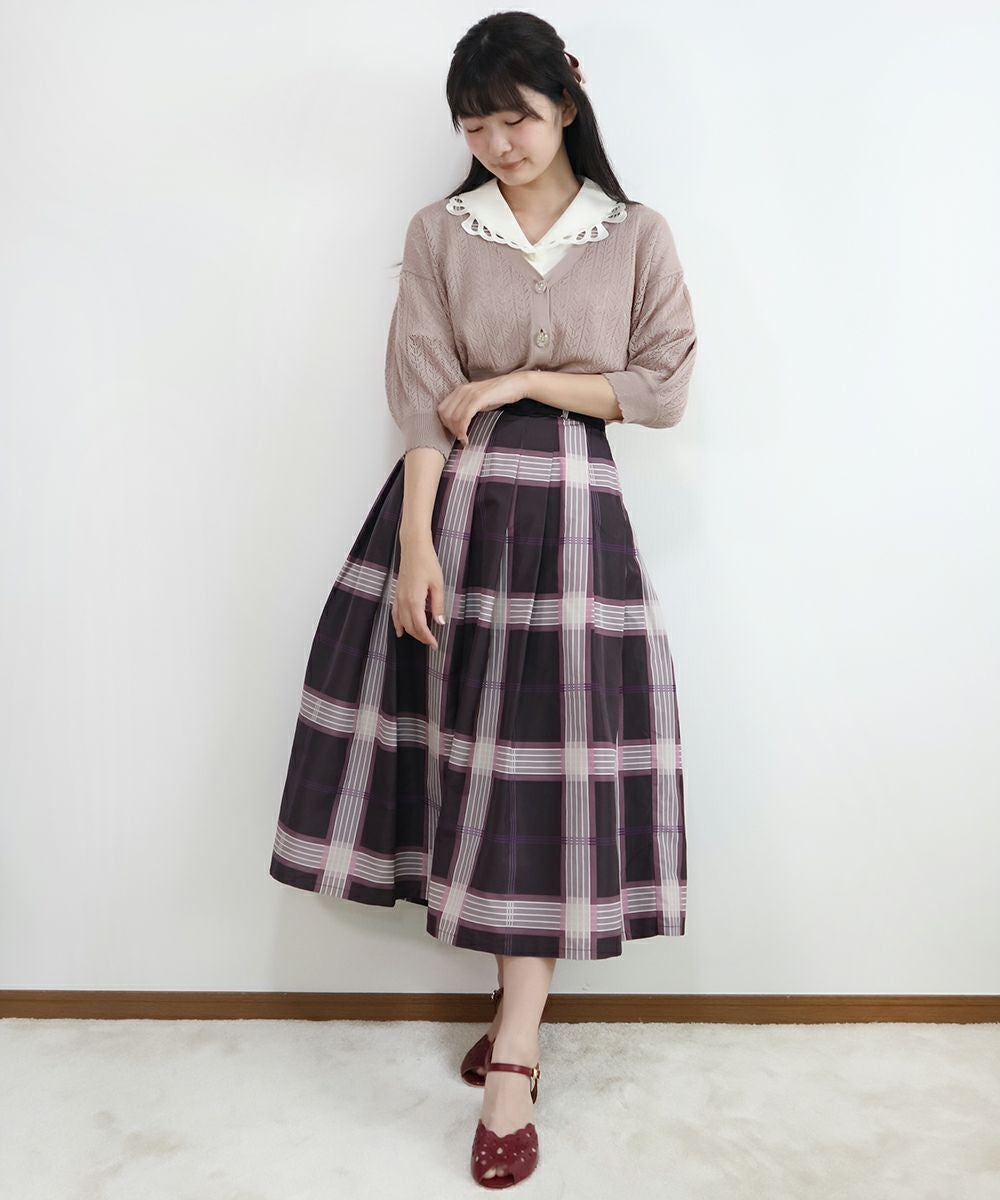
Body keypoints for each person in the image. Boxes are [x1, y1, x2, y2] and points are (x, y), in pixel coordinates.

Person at [268, 11, 698, 1188]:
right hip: (454, 516)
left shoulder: (636, 233)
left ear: (568, 100)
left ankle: (514, 1052)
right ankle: (514, 1026)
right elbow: (421, 397)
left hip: (574, 535)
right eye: (476, 125)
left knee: (542, 779)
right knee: (473, 773)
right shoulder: (440, 232)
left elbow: (662, 387)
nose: (499, 143)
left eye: (515, 116)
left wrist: (521, 378)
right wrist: (415, 546)